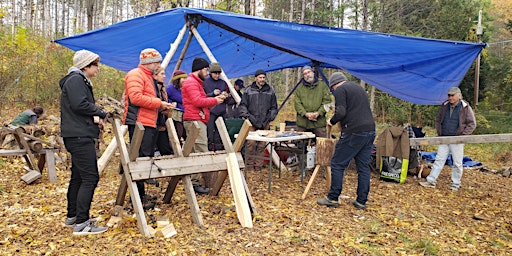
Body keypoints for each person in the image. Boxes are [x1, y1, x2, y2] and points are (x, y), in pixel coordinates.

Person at [60, 49, 108, 235]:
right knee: (90, 177)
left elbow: (77, 108)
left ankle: (73, 216)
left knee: (78, 177)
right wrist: (100, 112)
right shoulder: (76, 80)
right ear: (85, 65)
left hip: (77, 133)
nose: (97, 69)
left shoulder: (77, 81)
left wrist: (94, 118)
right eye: (95, 65)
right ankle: (82, 223)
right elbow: (79, 104)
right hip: (79, 137)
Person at [317, 72, 376, 210]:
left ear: (333, 85)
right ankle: (361, 201)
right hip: (370, 130)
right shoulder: (358, 88)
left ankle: (332, 198)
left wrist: (331, 121)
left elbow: (341, 112)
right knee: (363, 167)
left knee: (337, 163)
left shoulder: (340, 90)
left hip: (354, 132)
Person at [123, 48, 174, 208]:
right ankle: (136, 198)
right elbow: (136, 98)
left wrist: (162, 107)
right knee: (140, 160)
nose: (159, 65)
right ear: (149, 62)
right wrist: (159, 103)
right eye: (157, 62)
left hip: (149, 122)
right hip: (140, 124)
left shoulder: (147, 77)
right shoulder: (135, 74)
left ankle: (141, 194)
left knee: (146, 158)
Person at [182, 57, 226, 194]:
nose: (207, 72)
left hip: (198, 119)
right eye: (206, 69)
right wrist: (214, 100)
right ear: (200, 69)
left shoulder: (196, 82)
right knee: (200, 151)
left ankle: (195, 182)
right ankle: (196, 183)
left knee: (196, 151)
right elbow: (197, 101)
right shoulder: (191, 83)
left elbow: (202, 101)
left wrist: (216, 101)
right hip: (195, 121)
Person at [419, 87, 476, 191]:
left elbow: (472, 124)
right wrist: (439, 132)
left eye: (452, 95)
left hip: (457, 140)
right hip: (444, 138)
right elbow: (438, 120)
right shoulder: (444, 106)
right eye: (449, 95)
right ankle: (431, 181)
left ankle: (455, 184)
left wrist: (462, 136)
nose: (450, 97)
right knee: (439, 160)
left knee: (457, 163)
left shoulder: (465, 107)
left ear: (459, 95)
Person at [239, 69, 278, 171]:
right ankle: (249, 166)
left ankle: (258, 166)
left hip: (265, 121)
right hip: (252, 121)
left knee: (262, 144)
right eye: (260, 77)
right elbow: (243, 106)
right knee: (251, 143)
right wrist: (248, 117)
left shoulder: (270, 91)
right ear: (255, 78)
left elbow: (274, 107)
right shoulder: (248, 91)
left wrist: (270, 118)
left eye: (263, 77)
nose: (262, 79)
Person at [293, 65, 332, 138]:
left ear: (313, 72)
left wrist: (318, 113)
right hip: (303, 123)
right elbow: (297, 104)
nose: (307, 75)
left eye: (308, 72)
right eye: (305, 74)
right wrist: (305, 114)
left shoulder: (322, 86)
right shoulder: (299, 88)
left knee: (322, 145)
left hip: (318, 123)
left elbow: (327, 102)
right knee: (300, 146)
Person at [203, 62, 229, 151]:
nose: (217, 75)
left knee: (220, 134)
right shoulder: (205, 83)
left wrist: (226, 96)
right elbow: (202, 97)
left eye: (219, 73)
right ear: (210, 73)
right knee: (209, 133)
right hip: (210, 111)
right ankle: (209, 151)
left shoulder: (223, 83)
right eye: (215, 73)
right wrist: (212, 94)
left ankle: (219, 151)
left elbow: (229, 99)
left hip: (221, 111)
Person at [152, 66, 174, 156]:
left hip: (162, 122)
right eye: (162, 74)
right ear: (155, 75)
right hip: (153, 121)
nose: (164, 76)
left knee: (165, 148)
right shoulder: (152, 88)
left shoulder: (163, 90)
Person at [166, 70, 187, 143]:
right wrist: (171, 103)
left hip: (185, 114)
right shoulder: (170, 88)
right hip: (176, 115)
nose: (185, 80)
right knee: (178, 133)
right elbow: (165, 98)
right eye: (183, 78)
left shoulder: (185, 88)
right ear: (178, 80)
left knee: (186, 134)